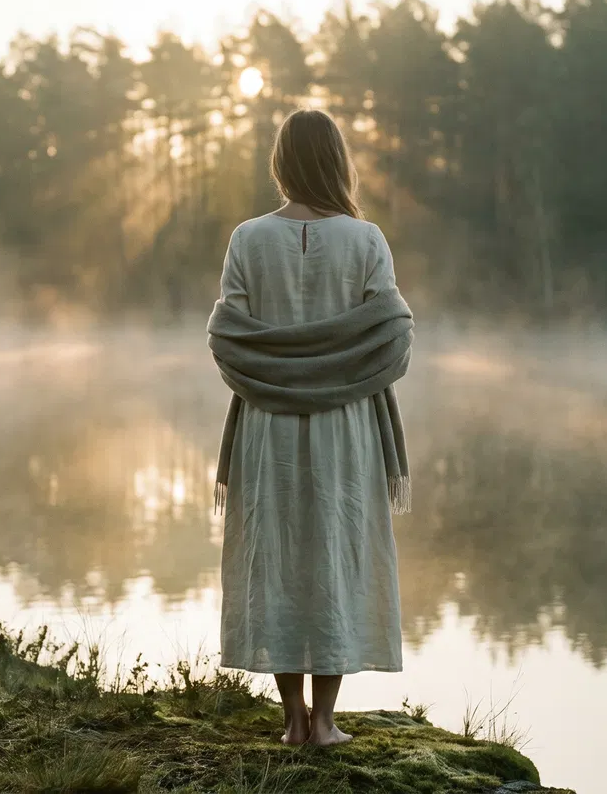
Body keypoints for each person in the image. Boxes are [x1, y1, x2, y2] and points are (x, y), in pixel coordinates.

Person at [207, 109, 415, 747]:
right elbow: (392, 333)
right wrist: (342, 361)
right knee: (334, 555)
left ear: (282, 164)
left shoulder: (248, 239)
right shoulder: (366, 239)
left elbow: (229, 337)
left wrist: (278, 365)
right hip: (344, 424)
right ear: (337, 162)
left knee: (277, 557)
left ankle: (292, 718)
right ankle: (324, 722)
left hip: (266, 423)